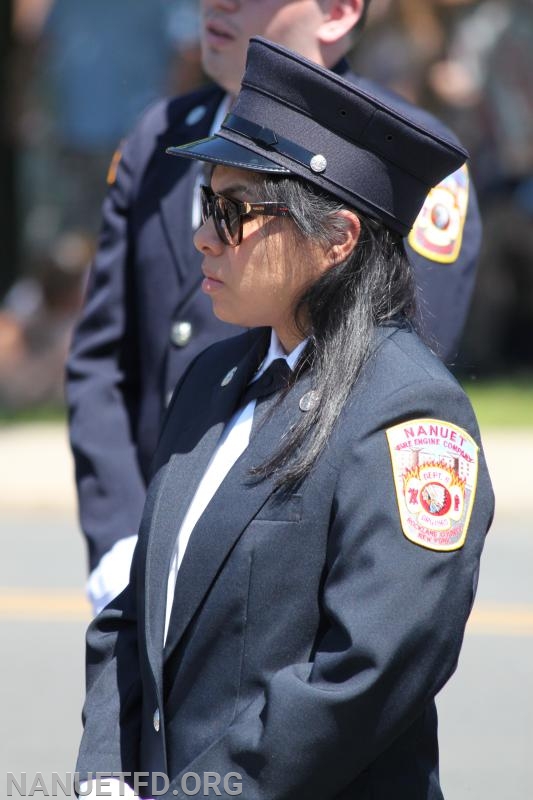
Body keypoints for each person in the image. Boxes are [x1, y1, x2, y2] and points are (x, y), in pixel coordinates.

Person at [75, 36, 493, 800]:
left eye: (234, 212)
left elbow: (361, 678)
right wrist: (105, 774)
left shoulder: (408, 413)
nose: (203, 234)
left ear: (336, 238)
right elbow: (134, 613)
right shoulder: (210, 379)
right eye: (207, 202)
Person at [66, 0, 482, 615]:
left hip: (284, 563)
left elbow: (399, 373)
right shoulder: (157, 137)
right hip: (148, 549)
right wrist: (121, 542)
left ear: (338, 12)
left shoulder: (396, 157)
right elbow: (102, 359)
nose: (218, 3)